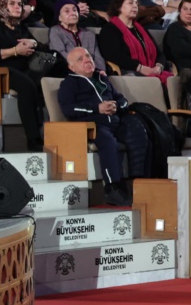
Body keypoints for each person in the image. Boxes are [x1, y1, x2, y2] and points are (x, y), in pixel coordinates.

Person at [57, 47, 151, 206]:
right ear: (71, 67)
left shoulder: (102, 79)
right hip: (92, 126)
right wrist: (97, 108)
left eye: (88, 56)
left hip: (115, 121)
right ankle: (112, 188)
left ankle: (138, 181)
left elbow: (122, 100)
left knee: (139, 131)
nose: (87, 60)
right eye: (80, 59)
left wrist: (117, 107)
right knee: (108, 142)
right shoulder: (69, 83)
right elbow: (68, 109)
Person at [0, 0, 45, 150]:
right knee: (28, 85)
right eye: (12, 3)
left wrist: (34, 44)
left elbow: (40, 47)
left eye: (20, 4)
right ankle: (33, 138)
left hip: (22, 68)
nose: (17, 7)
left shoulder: (20, 28)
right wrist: (14, 51)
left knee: (53, 63)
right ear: (2, 7)